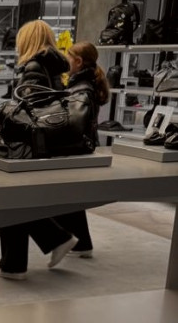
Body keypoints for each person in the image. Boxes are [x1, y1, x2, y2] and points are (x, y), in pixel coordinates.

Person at [0, 20, 78, 280]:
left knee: (11, 200)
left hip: (29, 144)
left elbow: (28, 110)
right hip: (47, 142)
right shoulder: (53, 66)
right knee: (17, 200)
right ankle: (28, 255)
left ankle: (18, 261)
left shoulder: (34, 67)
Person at [54, 41, 110, 258]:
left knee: (64, 197)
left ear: (77, 62)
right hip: (82, 147)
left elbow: (74, 123)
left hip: (76, 149)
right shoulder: (84, 85)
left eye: (68, 57)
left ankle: (73, 241)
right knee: (70, 197)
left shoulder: (81, 89)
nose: (65, 61)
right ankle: (81, 243)